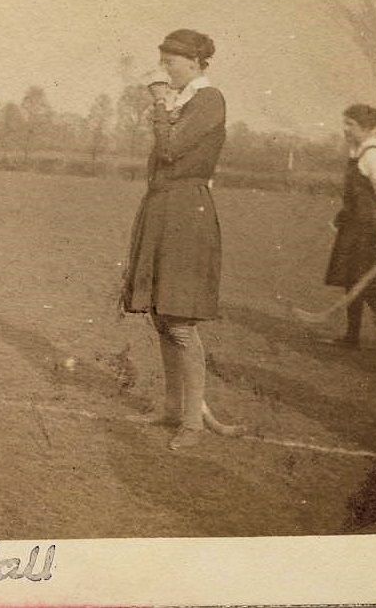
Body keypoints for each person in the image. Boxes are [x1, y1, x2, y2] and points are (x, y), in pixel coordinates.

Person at [119, 29, 244, 450]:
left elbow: (170, 148)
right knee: (161, 314)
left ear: (193, 63)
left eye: (170, 63)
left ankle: (192, 421)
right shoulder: (184, 102)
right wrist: (165, 105)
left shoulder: (209, 100)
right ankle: (175, 409)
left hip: (187, 213)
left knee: (179, 321)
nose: (164, 70)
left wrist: (158, 103)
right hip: (164, 208)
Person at [323, 104, 376, 347]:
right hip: (354, 229)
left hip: (370, 232)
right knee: (352, 281)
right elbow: (357, 195)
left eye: (350, 124)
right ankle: (352, 337)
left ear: (365, 127)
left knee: (371, 286)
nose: (345, 129)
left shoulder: (374, 156)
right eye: (345, 123)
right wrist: (342, 215)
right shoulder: (357, 153)